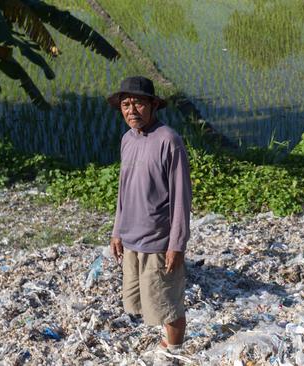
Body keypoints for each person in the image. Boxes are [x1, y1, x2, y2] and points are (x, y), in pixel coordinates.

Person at [107, 76, 192, 354]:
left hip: (158, 239)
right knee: (143, 300)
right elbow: (123, 189)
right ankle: (169, 340)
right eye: (126, 104)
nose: (132, 110)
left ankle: (175, 349)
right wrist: (117, 231)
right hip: (131, 237)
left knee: (168, 303)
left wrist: (176, 244)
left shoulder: (169, 141)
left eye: (139, 104)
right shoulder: (127, 139)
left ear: (154, 105)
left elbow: (181, 197)